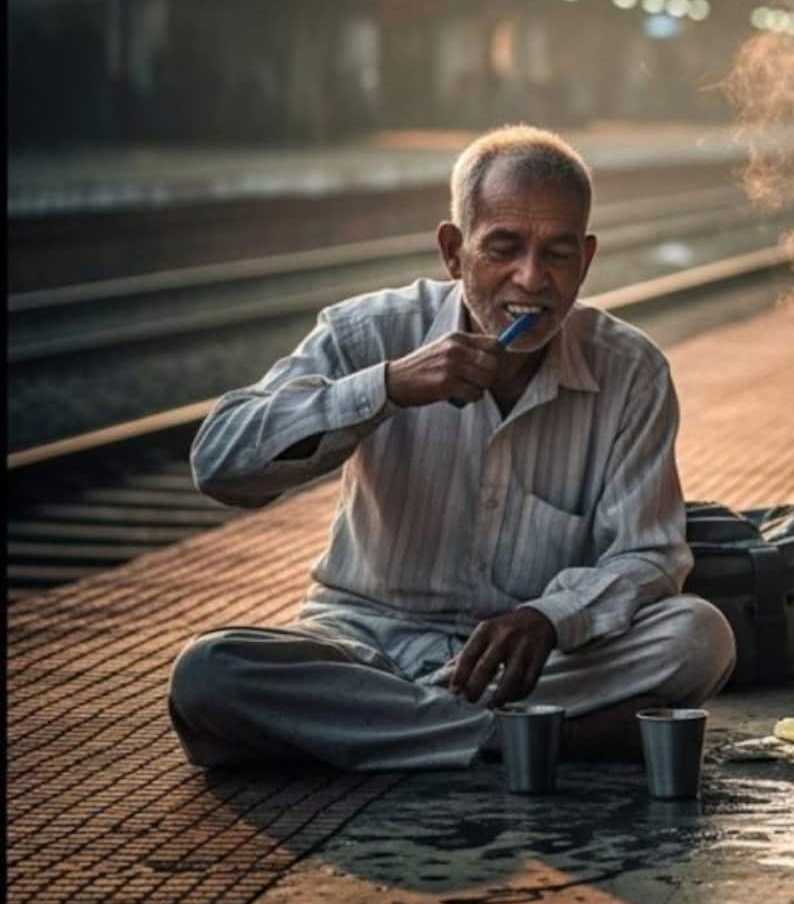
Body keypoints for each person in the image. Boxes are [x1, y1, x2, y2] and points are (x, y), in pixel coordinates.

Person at [167, 125, 736, 771]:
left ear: (587, 257)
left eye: (557, 253)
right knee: (208, 673)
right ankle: (518, 739)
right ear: (452, 251)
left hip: (531, 662)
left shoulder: (631, 370)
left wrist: (548, 617)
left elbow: (649, 555)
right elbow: (219, 465)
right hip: (363, 642)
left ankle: (388, 729)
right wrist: (386, 388)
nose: (532, 279)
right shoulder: (372, 332)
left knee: (698, 637)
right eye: (503, 248)